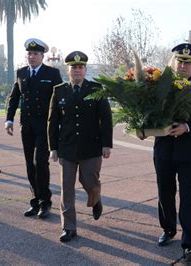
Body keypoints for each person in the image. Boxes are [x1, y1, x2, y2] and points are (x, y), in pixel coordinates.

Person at [153, 43, 191, 263]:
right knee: (165, 193)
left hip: (189, 151)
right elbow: (148, 110)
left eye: (188, 62)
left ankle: (189, 245)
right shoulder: (159, 84)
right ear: (173, 61)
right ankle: (168, 229)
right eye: (180, 61)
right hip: (164, 150)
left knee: (188, 197)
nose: (184, 66)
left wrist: (187, 127)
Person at [47, 51, 113, 242]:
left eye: (80, 67)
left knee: (90, 183)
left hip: (91, 147)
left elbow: (106, 119)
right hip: (67, 147)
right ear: (68, 70)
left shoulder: (96, 89)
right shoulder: (59, 90)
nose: (77, 70)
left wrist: (106, 144)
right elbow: (52, 121)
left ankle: (96, 198)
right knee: (67, 187)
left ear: (85, 70)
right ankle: (69, 227)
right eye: (73, 67)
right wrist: (53, 148)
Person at [5, 38, 63, 219]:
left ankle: (45, 202)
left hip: (45, 126)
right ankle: (35, 200)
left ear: (42, 55)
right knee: (30, 163)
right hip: (27, 125)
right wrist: (9, 119)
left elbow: (60, 99)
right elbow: (14, 97)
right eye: (29, 54)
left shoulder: (52, 73)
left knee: (40, 163)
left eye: (35, 54)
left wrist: (60, 123)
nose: (31, 57)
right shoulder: (21, 73)